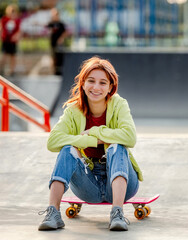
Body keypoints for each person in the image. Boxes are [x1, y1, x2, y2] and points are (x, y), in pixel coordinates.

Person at [38, 56, 143, 231]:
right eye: (91, 81)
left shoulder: (119, 104)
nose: (96, 87)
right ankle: (53, 213)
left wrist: (95, 132)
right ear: (83, 83)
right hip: (89, 185)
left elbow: (130, 137)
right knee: (67, 149)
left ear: (111, 87)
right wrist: (91, 140)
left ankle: (117, 213)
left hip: (123, 182)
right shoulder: (73, 110)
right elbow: (53, 141)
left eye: (103, 83)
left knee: (118, 146)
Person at [0, 4, 21, 76]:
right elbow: (0, 26)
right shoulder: (4, 19)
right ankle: (1, 69)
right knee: (3, 55)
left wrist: (16, 36)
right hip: (5, 40)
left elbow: (19, 30)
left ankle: (12, 70)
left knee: (13, 56)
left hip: (12, 41)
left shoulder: (17, 20)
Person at [46, 8, 69, 75]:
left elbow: (65, 32)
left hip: (60, 44)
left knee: (60, 57)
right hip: (53, 43)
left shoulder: (61, 24)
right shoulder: (51, 23)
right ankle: (53, 71)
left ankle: (60, 70)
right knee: (53, 57)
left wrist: (61, 38)